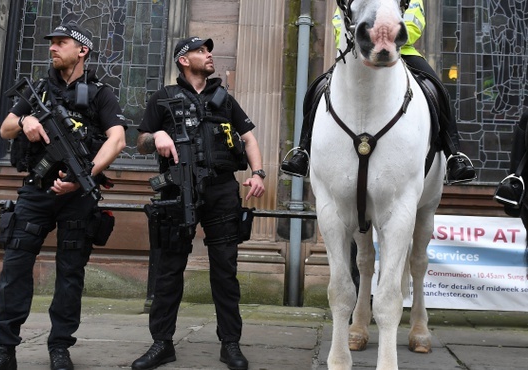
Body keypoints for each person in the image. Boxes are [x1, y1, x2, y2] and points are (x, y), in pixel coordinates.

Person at [0, 21, 127, 370]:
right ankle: (3, 350)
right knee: (15, 267)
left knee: (71, 272)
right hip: (36, 191)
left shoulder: (101, 92)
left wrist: (84, 177)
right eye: (52, 43)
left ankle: (59, 347)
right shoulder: (39, 89)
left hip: (78, 195)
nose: (53, 48)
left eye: (62, 43)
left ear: (82, 50)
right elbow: (4, 128)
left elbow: (117, 139)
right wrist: (27, 120)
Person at [130, 37, 266, 370]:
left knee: (225, 271)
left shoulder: (225, 99)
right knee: (168, 271)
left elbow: (247, 137)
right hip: (177, 192)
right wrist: (157, 136)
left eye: (209, 51)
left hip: (221, 190)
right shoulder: (163, 97)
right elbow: (141, 141)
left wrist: (258, 173)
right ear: (183, 60)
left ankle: (230, 344)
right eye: (201, 51)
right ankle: (162, 344)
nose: (209, 55)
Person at [281, 0, 477, 185]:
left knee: (438, 90)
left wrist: (389, 35)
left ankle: (454, 155)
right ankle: (303, 151)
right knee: (318, 88)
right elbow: (339, 18)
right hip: (357, 52)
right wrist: (357, 37)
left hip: (403, 52)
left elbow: (417, 19)